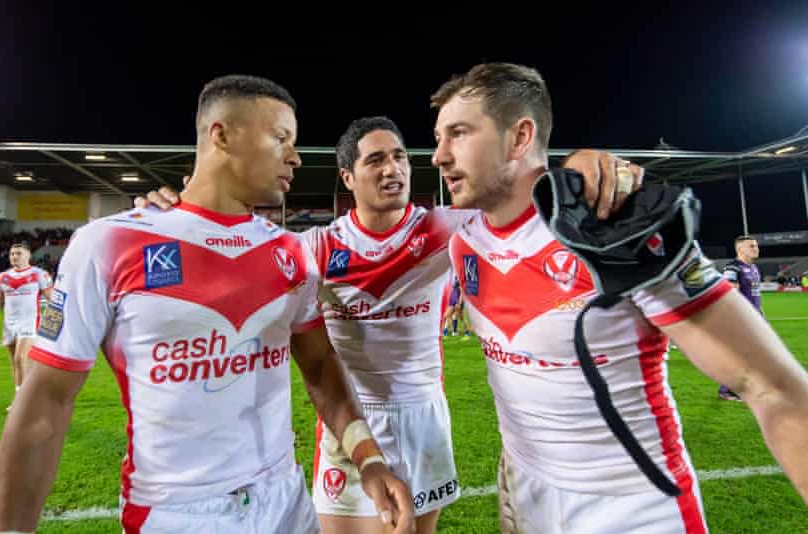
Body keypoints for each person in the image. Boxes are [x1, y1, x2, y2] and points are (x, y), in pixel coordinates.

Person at [139, 114, 642, 534]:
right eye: (375, 159)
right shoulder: (315, 248)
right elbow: (231, 260)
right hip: (351, 423)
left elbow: (523, 204)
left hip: (423, 418)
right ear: (347, 178)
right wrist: (179, 216)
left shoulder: (446, 228)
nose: (393, 168)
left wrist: (575, 168)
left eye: (400, 156)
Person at [0, 75, 414, 534]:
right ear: (221, 134)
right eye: (281, 138)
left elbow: (321, 367)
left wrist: (368, 459)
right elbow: (46, 400)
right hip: (176, 514)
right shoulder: (108, 243)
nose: (295, 156)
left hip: (287, 503)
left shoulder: (291, 253)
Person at [432, 62, 808, 533]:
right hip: (526, 496)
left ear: (519, 138)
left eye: (458, 133)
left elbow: (771, 385)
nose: (438, 155)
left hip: (632, 507)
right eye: (439, 137)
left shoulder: (617, 231)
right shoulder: (463, 241)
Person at [0, 242, 53, 410]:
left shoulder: (39, 274)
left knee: (20, 358)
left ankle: (22, 401)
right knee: (16, 363)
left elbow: (51, 297)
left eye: (18, 253)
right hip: (9, 324)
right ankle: (29, 394)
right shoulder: (3, 277)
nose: (14, 256)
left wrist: (60, 318)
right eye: (12, 254)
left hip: (30, 322)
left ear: (28, 255)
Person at [719, 235, 762, 401]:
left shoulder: (753, 268)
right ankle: (726, 390)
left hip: (754, 318)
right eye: (751, 246)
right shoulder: (733, 268)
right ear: (740, 249)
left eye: (756, 246)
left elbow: (755, 297)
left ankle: (741, 386)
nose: (756, 248)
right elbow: (731, 297)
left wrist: (761, 317)